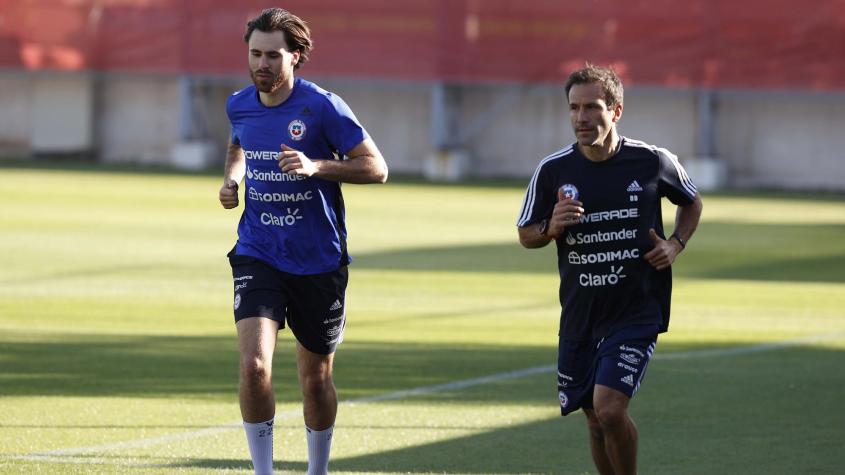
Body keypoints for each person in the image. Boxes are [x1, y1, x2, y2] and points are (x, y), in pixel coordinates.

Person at [218, 8, 388, 475]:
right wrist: (232, 179)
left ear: (296, 57)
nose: (262, 65)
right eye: (255, 54)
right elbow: (238, 143)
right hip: (258, 251)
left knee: (315, 381)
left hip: (318, 261)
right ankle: (263, 471)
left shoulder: (323, 107)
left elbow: (377, 168)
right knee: (255, 367)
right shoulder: (239, 104)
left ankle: (317, 470)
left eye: (273, 56)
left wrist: (318, 166)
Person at [516, 64, 703, 474]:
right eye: (574, 108)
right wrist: (551, 226)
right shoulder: (552, 170)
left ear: (616, 110)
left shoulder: (652, 161)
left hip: (636, 310)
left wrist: (676, 244)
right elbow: (526, 233)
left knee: (610, 408)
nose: (581, 118)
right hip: (581, 313)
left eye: (592, 107)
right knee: (594, 417)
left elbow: (691, 201)